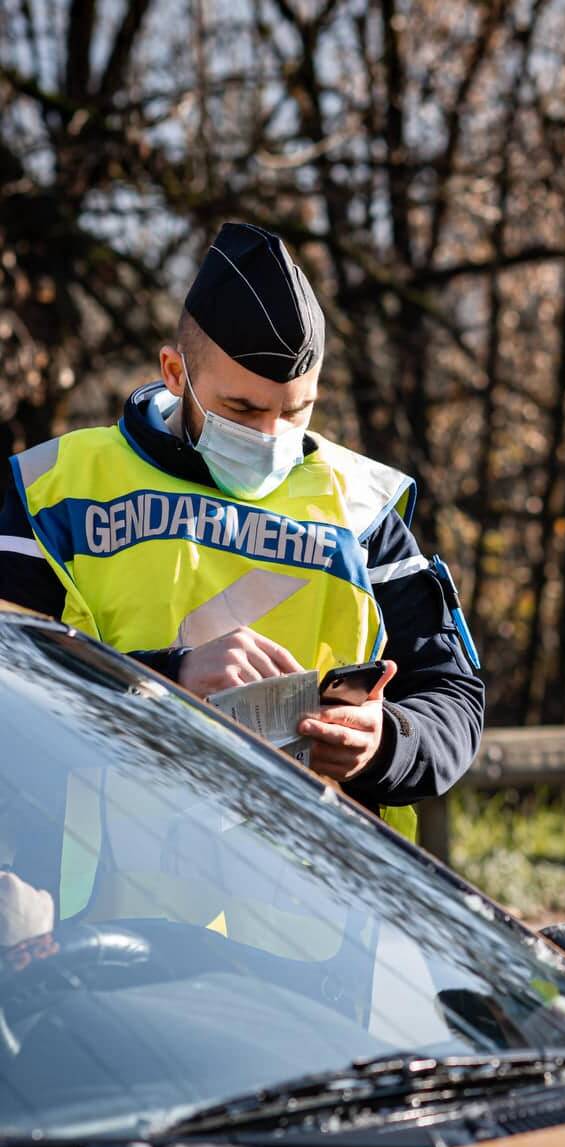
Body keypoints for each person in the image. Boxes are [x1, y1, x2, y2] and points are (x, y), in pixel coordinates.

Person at [0, 223, 484, 838]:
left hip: (315, 910)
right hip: (97, 903)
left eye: (294, 410)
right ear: (175, 373)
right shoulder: (58, 486)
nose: (269, 435)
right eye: (242, 410)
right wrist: (167, 682)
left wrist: (385, 743)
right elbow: (12, 680)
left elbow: (453, 699)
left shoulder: (362, 507)